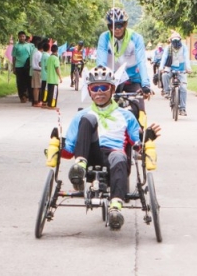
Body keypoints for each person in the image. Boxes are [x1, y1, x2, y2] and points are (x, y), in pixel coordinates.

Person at [63, 66, 161, 231]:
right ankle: (79, 168)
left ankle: (115, 209)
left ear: (113, 89)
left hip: (114, 157)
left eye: (104, 87)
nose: (99, 92)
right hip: (90, 155)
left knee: (119, 156)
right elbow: (69, 148)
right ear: (89, 91)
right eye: (95, 88)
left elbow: (138, 144)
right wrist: (56, 146)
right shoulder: (81, 116)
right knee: (88, 118)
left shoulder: (126, 115)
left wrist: (148, 136)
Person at [95, 8, 152, 126]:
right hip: (113, 79)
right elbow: (101, 62)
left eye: (120, 25)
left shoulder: (136, 38)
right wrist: (100, 81)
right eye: (112, 26)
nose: (116, 29)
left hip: (133, 79)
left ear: (125, 24)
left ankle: (142, 134)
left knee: (140, 111)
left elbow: (141, 61)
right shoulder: (104, 38)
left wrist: (146, 85)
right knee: (103, 109)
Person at [161, 32, 193, 116]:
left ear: (180, 40)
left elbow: (186, 58)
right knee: (164, 75)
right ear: (171, 41)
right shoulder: (168, 48)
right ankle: (167, 92)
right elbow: (164, 57)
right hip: (170, 68)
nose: (175, 42)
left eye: (177, 40)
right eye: (173, 40)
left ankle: (182, 108)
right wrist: (161, 68)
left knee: (183, 88)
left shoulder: (184, 48)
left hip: (181, 69)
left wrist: (188, 68)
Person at [12, 31, 34, 103]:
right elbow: (14, 57)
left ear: (25, 37)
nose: (22, 38)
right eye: (20, 36)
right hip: (19, 66)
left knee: (28, 81)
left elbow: (32, 56)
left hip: (27, 66)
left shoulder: (30, 46)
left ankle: (29, 96)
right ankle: (22, 96)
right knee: (20, 82)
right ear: (18, 37)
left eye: (23, 36)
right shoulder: (16, 46)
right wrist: (13, 67)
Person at [42, 44, 62, 109]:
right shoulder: (56, 58)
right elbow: (57, 68)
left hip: (48, 78)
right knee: (54, 93)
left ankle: (48, 104)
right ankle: (52, 105)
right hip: (54, 79)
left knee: (49, 92)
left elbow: (46, 67)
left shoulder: (49, 58)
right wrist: (60, 77)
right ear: (57, 50)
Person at [30, 38, 43, 108]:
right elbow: (40, 64)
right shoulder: (40, 54)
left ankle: (35, 101)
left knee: (35, 87)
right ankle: (36, 101)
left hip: (34, 70)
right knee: (37, 87)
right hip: (38, 71)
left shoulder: (35, 53)